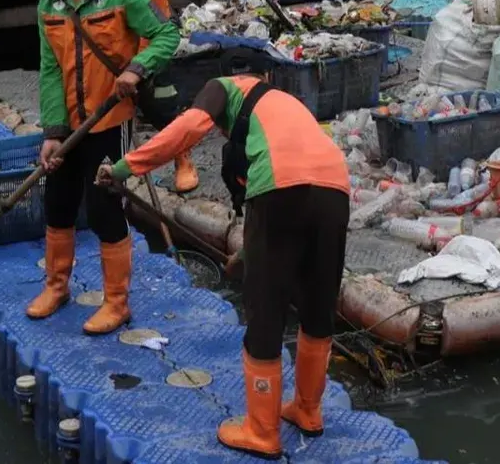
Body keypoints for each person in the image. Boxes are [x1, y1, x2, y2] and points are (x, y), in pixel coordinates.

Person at [96, 49, 350, 459]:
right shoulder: (283, 106)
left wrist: (124, 168)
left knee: (265, 309)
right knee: (318, 306)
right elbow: (291, 202)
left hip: (281, 190)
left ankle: (262, 431)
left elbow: (187, 129)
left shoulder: (225, 87)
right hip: (336, 190)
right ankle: (307, 410)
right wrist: (247, 255)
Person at [13, 0, 180, 335]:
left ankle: (116, 302)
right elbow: (51, 71)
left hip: (109, 121)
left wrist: (137, 68)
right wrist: (53, 133)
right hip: (69, 126)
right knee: (58, 202)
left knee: (105, 209)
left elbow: (166, 34)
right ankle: (57, 287)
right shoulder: (48, 7)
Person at [89, 0, 199, 193]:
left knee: (163, 101)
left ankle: (182, 157)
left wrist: (138, 69)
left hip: (145, 36)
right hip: (110, 28)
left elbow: (155, 33)